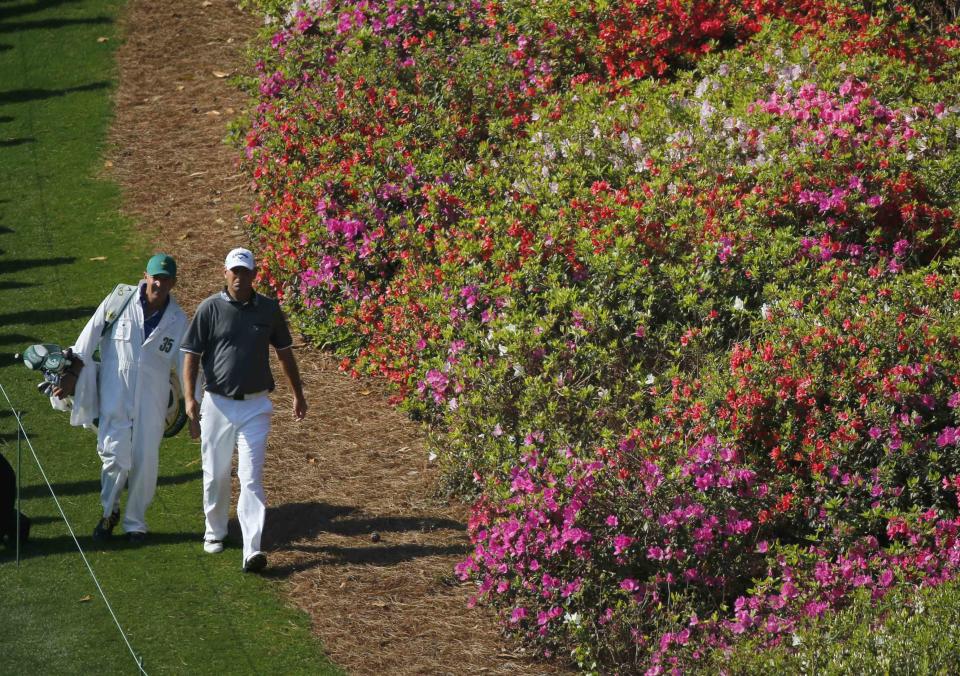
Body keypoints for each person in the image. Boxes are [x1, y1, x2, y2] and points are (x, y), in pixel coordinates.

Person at [181, 247, 307, 573]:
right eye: (234, 272)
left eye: (245, 272)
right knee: (216, 475)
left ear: (254, 275)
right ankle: (215, 530)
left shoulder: (268, 309)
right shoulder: (209, 309)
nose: (239, 277)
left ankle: (252, 550)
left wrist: (298, 394)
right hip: (217, 403)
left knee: (250, 478)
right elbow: (191, 355)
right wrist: (190, 400)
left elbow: (284, 352)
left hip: (256, 406)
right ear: (225, 273)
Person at [54, 254, 189, 543]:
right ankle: (108, 511)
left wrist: (194, 404)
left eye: (165, 279)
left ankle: (135, 524)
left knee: (145, 463)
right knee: (115, 458)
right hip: (115, 395)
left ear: (173, 283)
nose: (158, 283)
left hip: (152, 404)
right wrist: (70, 375)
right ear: (145, 275)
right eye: (155, 277)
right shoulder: (120, 300)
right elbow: (87, 339)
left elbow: (187, 365)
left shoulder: (178, 321)